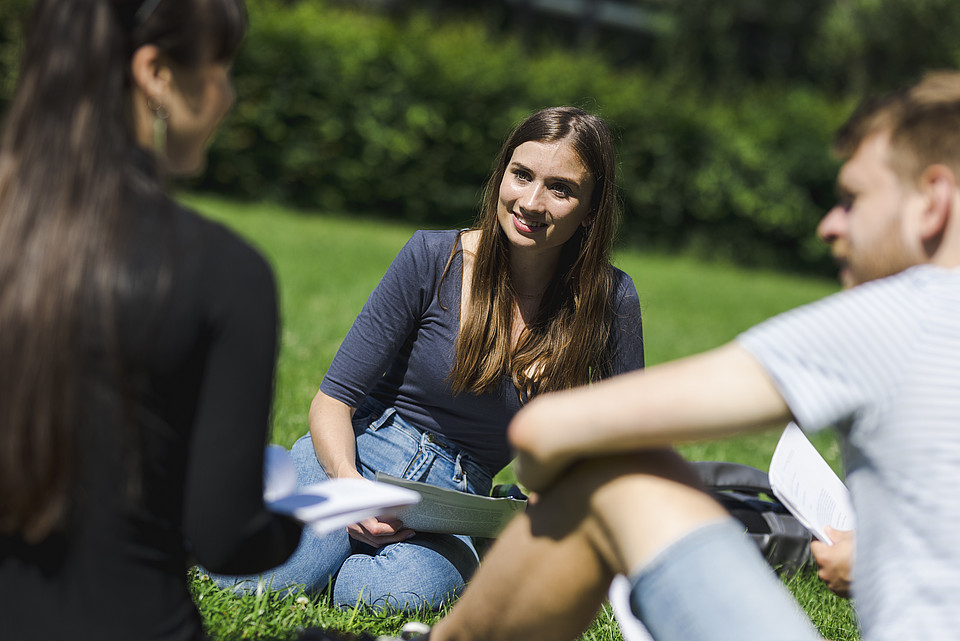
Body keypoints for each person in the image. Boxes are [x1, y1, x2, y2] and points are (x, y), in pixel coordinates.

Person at [425, 71, 960, 641]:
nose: (830, 225)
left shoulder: (904, 312)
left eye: (852, 200)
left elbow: (548, 430)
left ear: (932, 200)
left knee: (615, 467)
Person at [214, 106, 645, 611]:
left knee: (394, 596)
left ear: (592, 206)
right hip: (356, 456)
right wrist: (350, 490)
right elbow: (332, 401)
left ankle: (316, 541)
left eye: (560, 188)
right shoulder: (433, 258)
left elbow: (623, 448)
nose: (530, 202)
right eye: (521, 175)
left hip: (451, 503)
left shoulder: (610, 302)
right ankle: (282, 504)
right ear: (501, 175)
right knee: (256, 580)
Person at [0, 1, 303, 639]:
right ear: (156, 73)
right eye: (221, 68)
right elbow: (228, 539)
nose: (227, 93)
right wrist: (298, 518)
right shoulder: (222, 272)